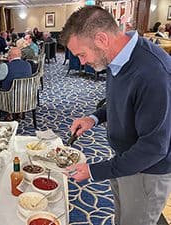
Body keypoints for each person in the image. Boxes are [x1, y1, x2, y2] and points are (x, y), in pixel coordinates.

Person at [60, 6, 171, 225]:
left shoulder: (153, 73)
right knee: (122, 218)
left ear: (101, 39)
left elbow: (154, 147)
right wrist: (94, 118)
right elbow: (119, 102)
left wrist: (94, 171)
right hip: (124, 159)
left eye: (82, 54)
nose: (81, 62)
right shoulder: (116, 58)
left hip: (146, 170)